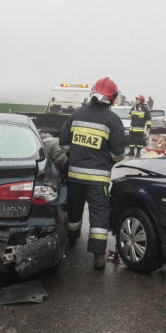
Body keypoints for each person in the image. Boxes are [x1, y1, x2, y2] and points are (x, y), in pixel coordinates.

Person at [58, 77, 128, 270]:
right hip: (98, 180)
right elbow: (119, 154)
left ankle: (72, 240)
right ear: (112, 98)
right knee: (99, 215)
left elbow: (63, 145)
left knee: (74, 211)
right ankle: (98, 257)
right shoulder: (113, 120)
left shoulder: (77, 114)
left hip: (75, 177)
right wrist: (107, 160)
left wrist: (76, 155)